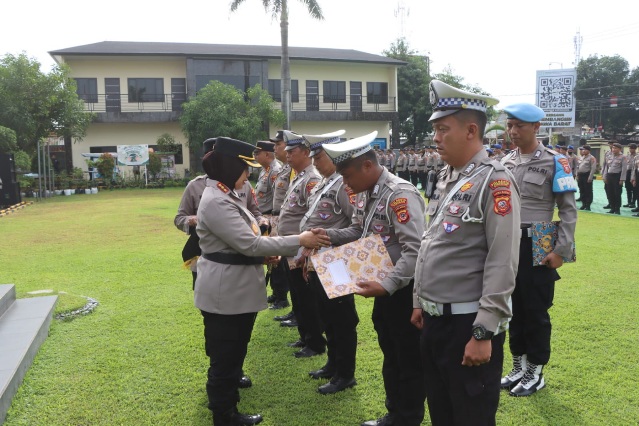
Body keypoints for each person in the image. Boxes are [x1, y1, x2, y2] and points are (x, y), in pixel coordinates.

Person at [194, 137, 329, 426]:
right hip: (226, 292)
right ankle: (225, 415)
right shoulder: (218, 200)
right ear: (232, 168)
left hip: (232, 288)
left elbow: (242, 244)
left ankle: (226, 405)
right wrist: (300, 240)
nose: (249, 174)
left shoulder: (225, 193)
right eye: (245, 169)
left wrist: (258, 257)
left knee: (231, 353)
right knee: (226, 356)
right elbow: (250, 244)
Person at [411, 79, 520, 426]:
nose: (436, 137)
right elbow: (432, 241)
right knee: (442, 412)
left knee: (470, 417)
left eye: (443, 129)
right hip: (435, 321)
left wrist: (484, 331)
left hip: (467, 326)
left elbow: (503, 261)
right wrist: (418, 299)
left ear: (471, 130)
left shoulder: (495, 180)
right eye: (436, 130)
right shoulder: (447, 176)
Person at [318, 131, 426, 426]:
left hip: (403, 291)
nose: (344, 183)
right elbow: (359, 232)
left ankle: (407, 417)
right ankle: (395, 412)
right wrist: (327, 235)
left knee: (407, 358)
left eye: (347, 174)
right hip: (385, 290)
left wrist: (388, 285)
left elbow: (414, 249)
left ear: (367, 166)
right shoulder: (366, 191)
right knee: (391, 354)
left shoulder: (399, 194)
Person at [500, 103, 577, 397]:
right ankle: (518, 366)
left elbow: (568, 211)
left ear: (536, 128)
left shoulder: (556, 162)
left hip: (540, 240)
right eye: (510, 125)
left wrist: (561, 250)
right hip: (508, 243)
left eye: (520, 126)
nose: (513, 131)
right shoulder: (506, 162)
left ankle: (536, 371)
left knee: (535, 311)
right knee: (513, 308)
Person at [298, 130, 359, 395]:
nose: (315, 162)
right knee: (328, 317)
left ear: (334, 156)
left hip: (337, 263)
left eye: (319, 157)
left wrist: (329, 237)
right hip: (318, 262)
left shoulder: (343, 186)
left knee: (342, 320)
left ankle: (346, 374)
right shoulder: (325, 183)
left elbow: (357, 225)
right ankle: (333, 364)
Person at [278, 130, 344, 357]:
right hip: (301, 249)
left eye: (319, 157)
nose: (287, 156)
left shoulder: (320, 180)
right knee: (302, 298)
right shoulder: (314, 180)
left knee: (315, 304)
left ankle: (315, 342)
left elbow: (353, 222)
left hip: (325, 254)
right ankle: (308, 339)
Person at [268, 131, 294, 315]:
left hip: (291, 225)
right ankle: (294, 308)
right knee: (281, 263)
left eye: (279, 144)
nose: (275, 148)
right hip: (278, 219)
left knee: (290, 268)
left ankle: (286, 300)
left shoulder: (295, 171)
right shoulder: (285, 169)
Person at [602, 142, 627, 215]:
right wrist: (605, 176)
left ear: (620, 149)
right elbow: (606, 167)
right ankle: (612, 208)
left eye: (615, 148)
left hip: (617, 176)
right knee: (610, 192)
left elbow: (624, 169)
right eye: (613, 148)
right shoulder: (609, 156)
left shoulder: (623, 157)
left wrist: (622, 179)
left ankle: (617, 209)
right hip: (610, 176)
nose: (613, 149)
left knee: (617, 193)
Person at [576, 145, 597, 211]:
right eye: (582, 150)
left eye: (584, 149)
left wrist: (590, 177)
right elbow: (578, 167)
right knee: (582, 190)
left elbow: (593, 168)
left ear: (588, 150)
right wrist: (577, 175)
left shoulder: (591, 158)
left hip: (586, 175)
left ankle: (588, 205)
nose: (583, 151)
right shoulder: (581, 157)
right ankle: (583, 204)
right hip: (580, 175)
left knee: (588, 191)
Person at [624, 143, 637, 208]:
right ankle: (629, 202)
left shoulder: (637, 156)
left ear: (635, 149)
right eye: (630, 148)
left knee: (634, 189)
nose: (630, 149)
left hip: (634, 172)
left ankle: (633, 202)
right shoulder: (628, 156)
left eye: (632, 148)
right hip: (628, 172)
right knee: (628, 188)